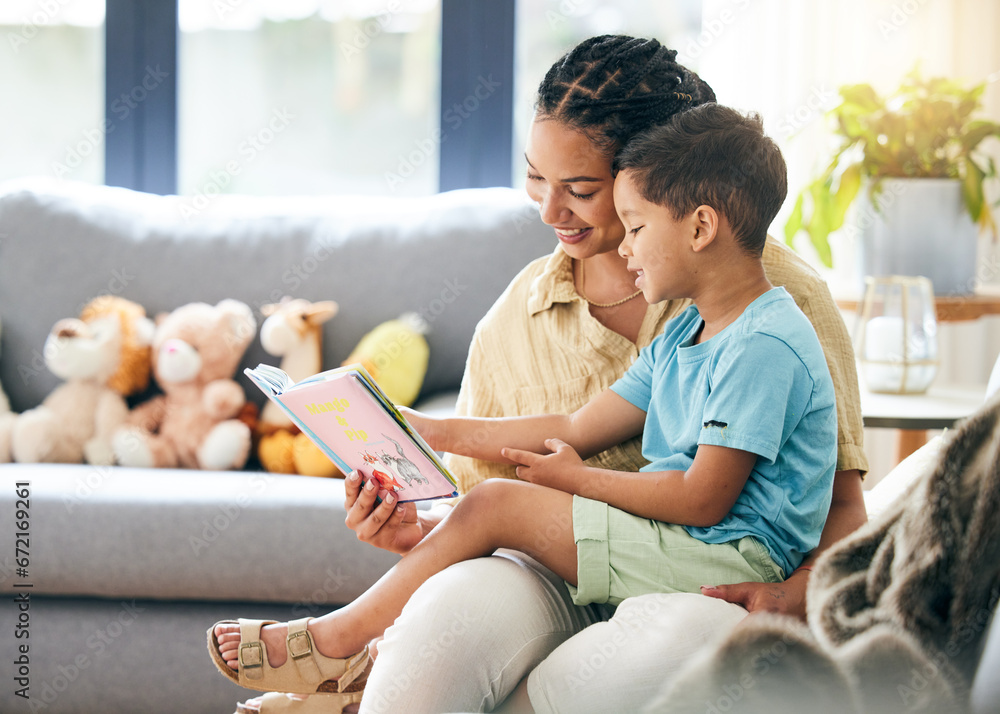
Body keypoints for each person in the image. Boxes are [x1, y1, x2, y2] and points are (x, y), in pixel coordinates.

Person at [232, 35, 870, 714]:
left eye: (583, 189)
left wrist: (790, 595)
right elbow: (494, 499)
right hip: (551, 575)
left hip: (703, 580)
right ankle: (363, 670)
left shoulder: (778, 308)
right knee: (433, 651)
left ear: (656, 181)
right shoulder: (522, 318)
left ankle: (351, 673)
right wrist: (412, 522)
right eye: (536, 176)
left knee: (654, 649)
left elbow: (839, 510)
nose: (546, 210)